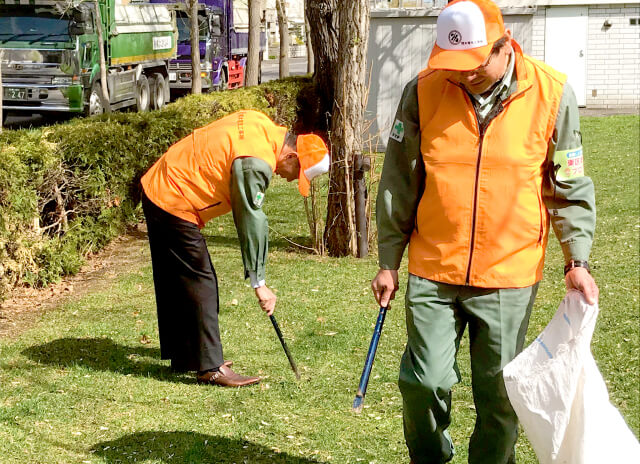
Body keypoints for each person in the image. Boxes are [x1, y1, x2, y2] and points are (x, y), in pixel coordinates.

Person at [370, 0, 599, 462]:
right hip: (434, 268)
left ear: (503, 44)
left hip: (509, 275)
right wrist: (388, 261)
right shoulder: (423, 90)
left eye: (475, 63)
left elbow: (569, 183)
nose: (464, 74)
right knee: (424, 382)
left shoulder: (553, 94)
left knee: (499, 396)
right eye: (454, 64)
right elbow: (399, 178)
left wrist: (576, 259)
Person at [141, 110, 329, 387]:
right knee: (200, 280)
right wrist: (259, 282)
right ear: (290, 156)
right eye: (296, 173)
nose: (290, 180)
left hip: (162, 182)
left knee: (178, 279)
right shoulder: (256, 162)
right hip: (173, 195)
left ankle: (187, 356)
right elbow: (250, 217)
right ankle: (210, 368)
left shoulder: (263, 126)